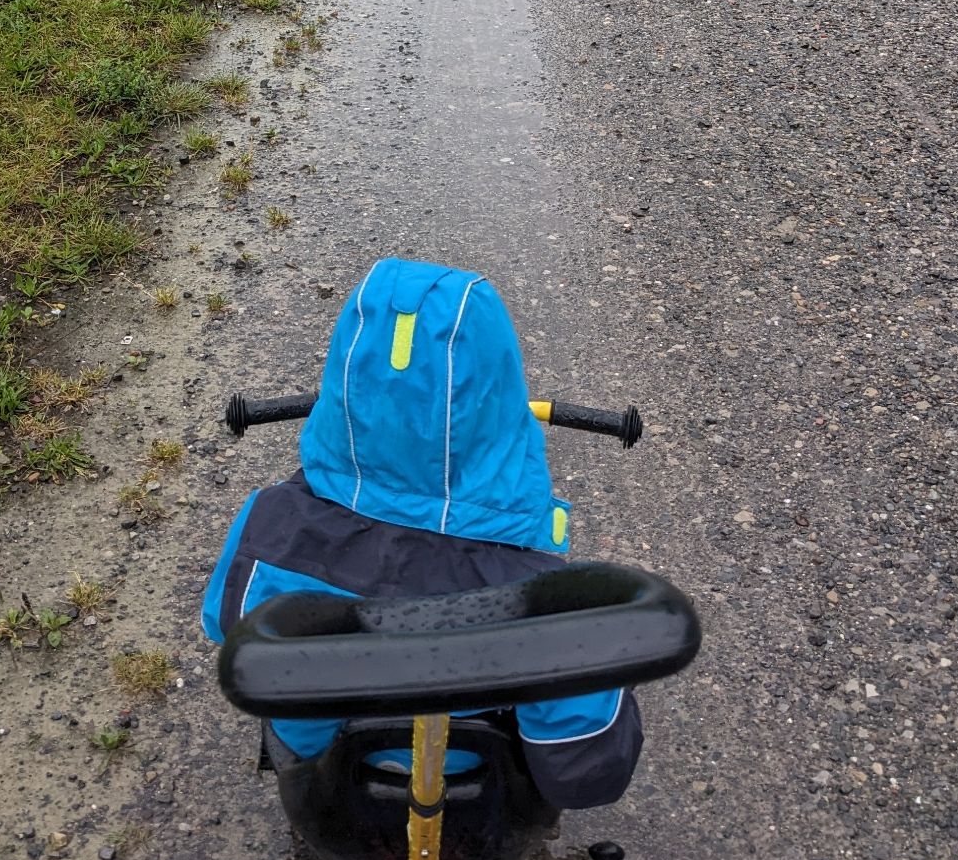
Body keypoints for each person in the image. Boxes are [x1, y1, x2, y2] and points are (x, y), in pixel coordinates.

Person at [202, 256, 643, 812]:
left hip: (331, 782)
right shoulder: (546, 594)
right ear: (501, 407)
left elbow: (224, 629)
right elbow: (585, 773)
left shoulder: (270, 523)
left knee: (286, 694)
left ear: (343, 386)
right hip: (480, 795)